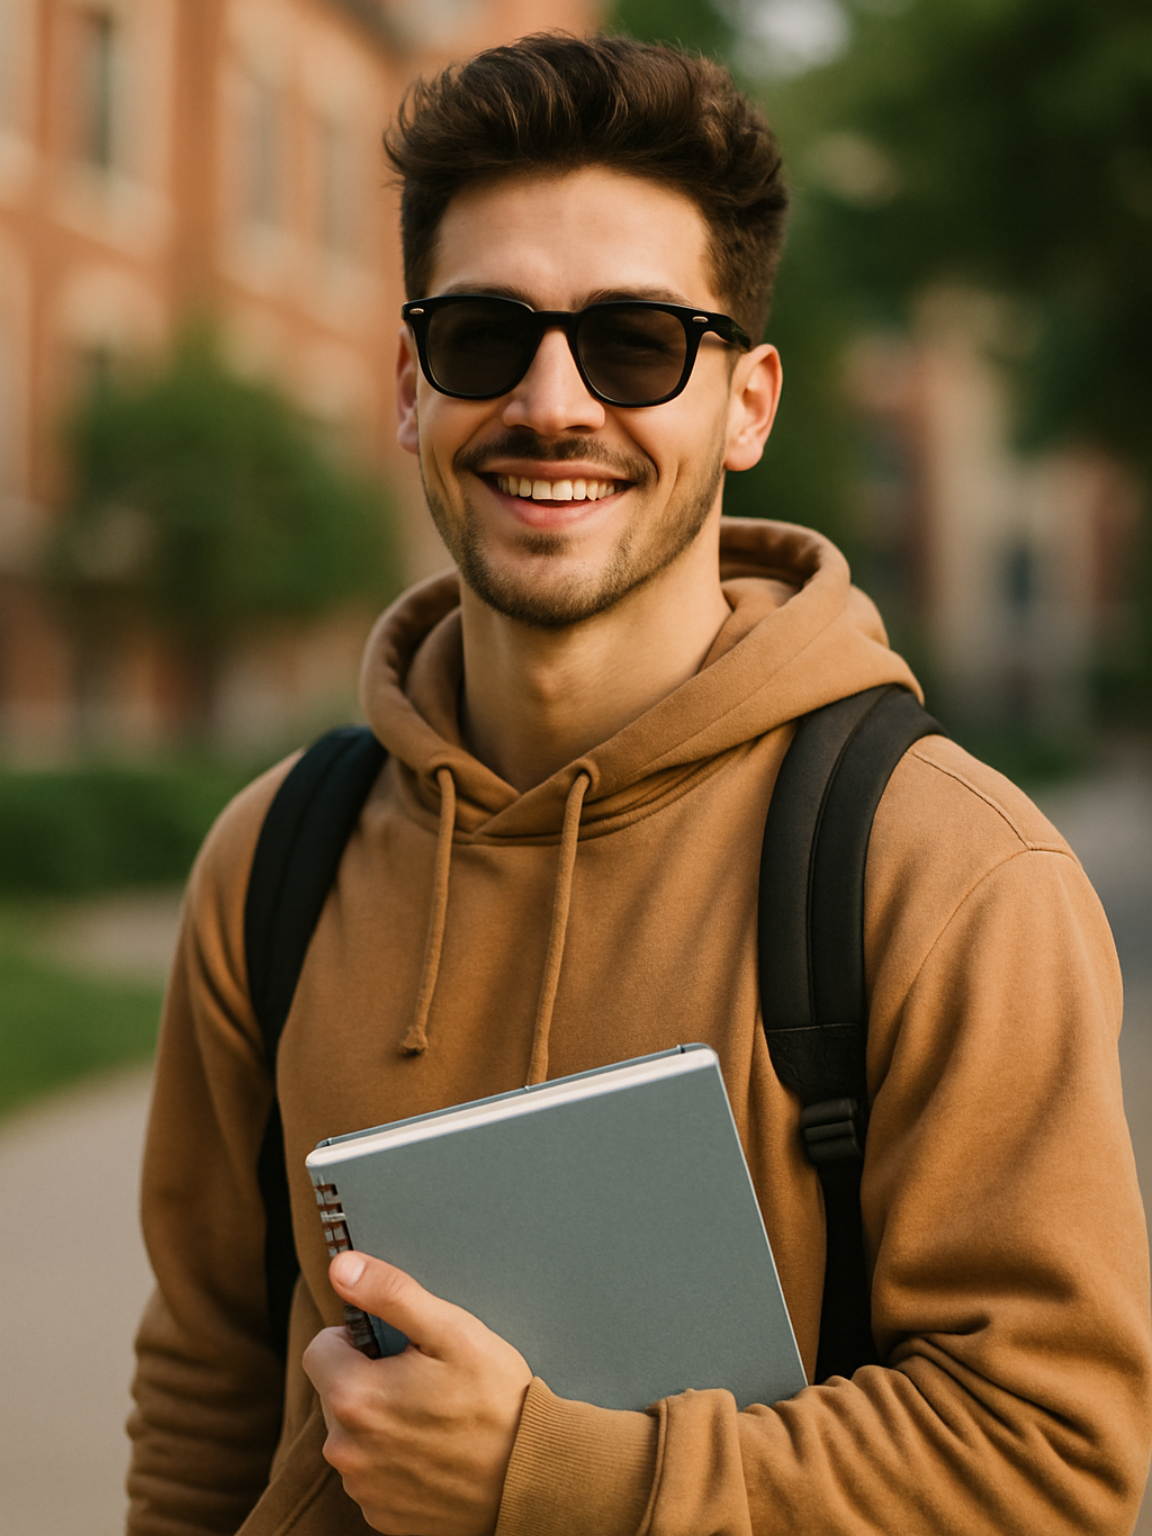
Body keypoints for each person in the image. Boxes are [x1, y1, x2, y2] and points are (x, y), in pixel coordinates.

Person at [126, 32, 1152, 1536]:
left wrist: (548, 1479)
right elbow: (208, 1393)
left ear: (747, 401)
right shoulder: (275, 855)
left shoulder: (944, 870)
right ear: (412, 387)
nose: (552, 402)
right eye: (486, 336)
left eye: (637, 343)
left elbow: (1054, 1456)